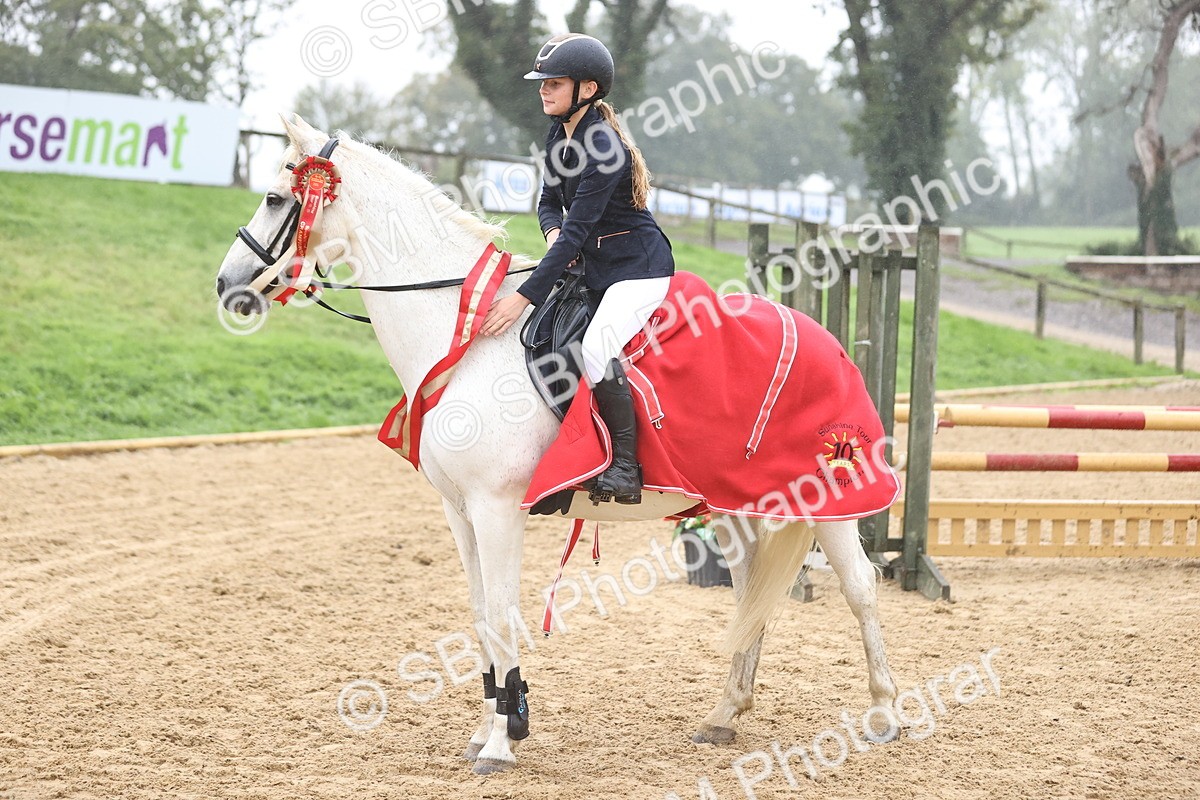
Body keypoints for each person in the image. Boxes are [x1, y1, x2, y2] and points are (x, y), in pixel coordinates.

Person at [481, 33, 675, 505]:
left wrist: (522, 295)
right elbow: (549, 205)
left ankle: (626, 469)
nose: (543, 90)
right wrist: (552, 238)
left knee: (595, 347)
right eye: (542, 82)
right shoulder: (557, 133)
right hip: (592, 265)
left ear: (586, 90)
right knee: (549, 335)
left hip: (637, 269)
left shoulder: (605, 148)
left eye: (554, 82)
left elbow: (578, 229)